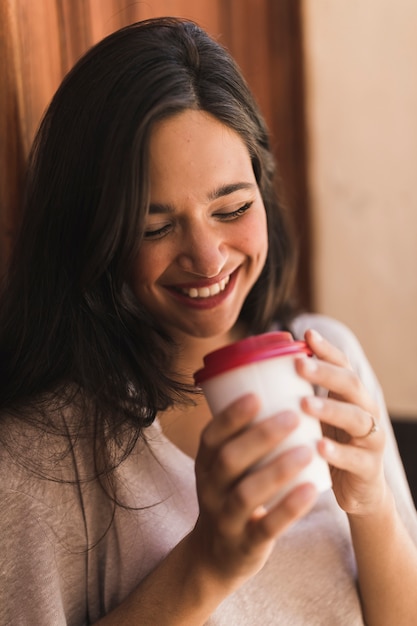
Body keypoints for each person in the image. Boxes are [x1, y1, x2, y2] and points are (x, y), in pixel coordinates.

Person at [0, 16, 416, 626]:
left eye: (233, 208)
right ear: (92, 234)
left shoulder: (327, 356)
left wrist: (372, 503)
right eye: (156, 226)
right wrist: (208, 565)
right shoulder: (40, 455)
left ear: (264, 193)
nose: (208, 257)